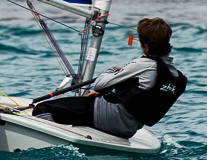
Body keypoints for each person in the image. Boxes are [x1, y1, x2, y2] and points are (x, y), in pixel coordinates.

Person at [32, 17, 186, 138]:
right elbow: (138, 96)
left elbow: (99, 84)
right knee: (79, 110)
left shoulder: (144, 64)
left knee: (42, 109)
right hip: (129, 129)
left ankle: (52, 144)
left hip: (108, 117)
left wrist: (112, 70)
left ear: (145, 47)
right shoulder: (175, 75)